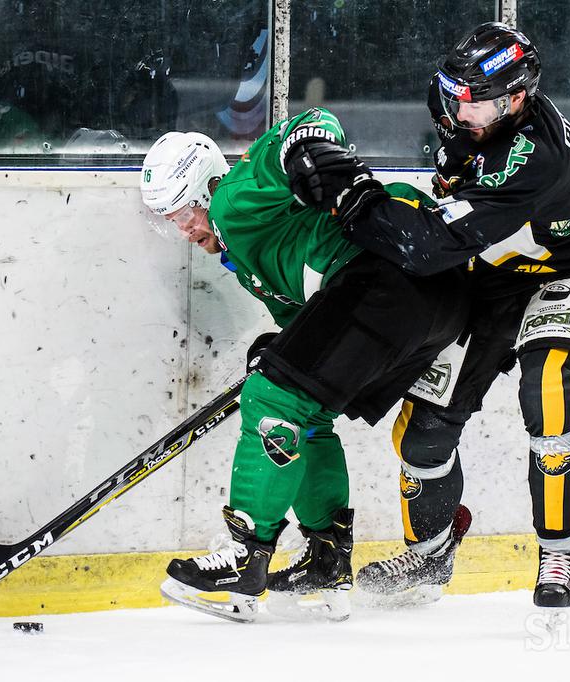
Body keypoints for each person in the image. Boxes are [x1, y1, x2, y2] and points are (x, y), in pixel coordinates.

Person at [285, 22, 570, 609]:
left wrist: (351, 194)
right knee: (423, 436)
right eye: (454, 92)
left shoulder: (533, 159)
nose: (458, 107)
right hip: (491, 280)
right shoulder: (470, 123)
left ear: (517, 98)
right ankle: (432, 553)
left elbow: (427, 245)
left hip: (569, 270)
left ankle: (558, 552)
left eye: (477, 100)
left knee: (547, 388)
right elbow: (437, 231)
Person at [140, 108, 469, 622]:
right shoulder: (249, 259)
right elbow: (309, 334)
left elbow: (312, 124)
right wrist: (274, 356)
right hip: (434, 299)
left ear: (207, 189)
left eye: (184, 212)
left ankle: (246, 555)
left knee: (270, 397)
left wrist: (314, 152)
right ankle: (326, 558)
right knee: (301, 408)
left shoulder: (235, 197)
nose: (183, 230)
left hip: (391, 273)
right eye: (170, 222)